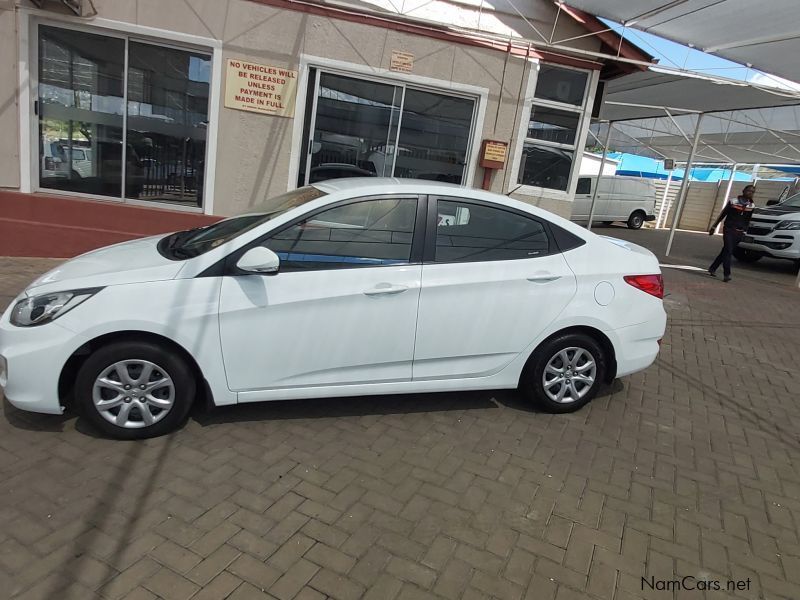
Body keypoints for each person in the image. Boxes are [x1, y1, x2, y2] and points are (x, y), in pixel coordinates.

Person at [708, 184, 756, 282]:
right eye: (748, 190)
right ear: (743, 191)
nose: (750, 193)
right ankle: (727, 274)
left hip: (740, 232)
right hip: (729, 230)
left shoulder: (751, 206)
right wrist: (714, 226)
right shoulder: (733, 201)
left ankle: (712, 268)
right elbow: (723, 214)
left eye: (752, 192)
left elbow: (748, 220)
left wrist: (745, 232)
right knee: (729, 251)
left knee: (726, 251)